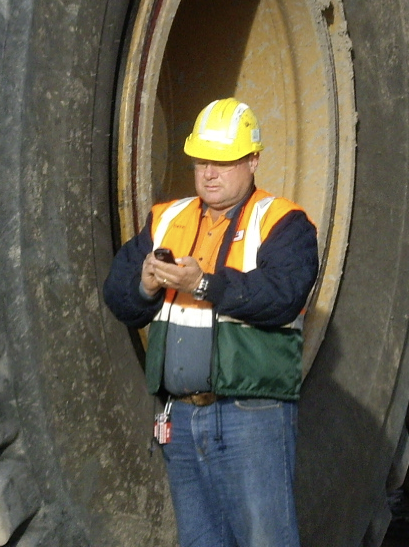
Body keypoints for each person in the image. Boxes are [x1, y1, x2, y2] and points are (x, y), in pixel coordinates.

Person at [104, 98, 318, 547]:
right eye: (203, 160)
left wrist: (205, 285)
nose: (209, 173)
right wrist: (144, 285)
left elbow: (281, 296)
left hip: (252, 415)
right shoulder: (167, 219)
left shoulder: (284, 223)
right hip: (180, 418)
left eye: (223, 161)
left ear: (254, 160)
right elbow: (118, 296)